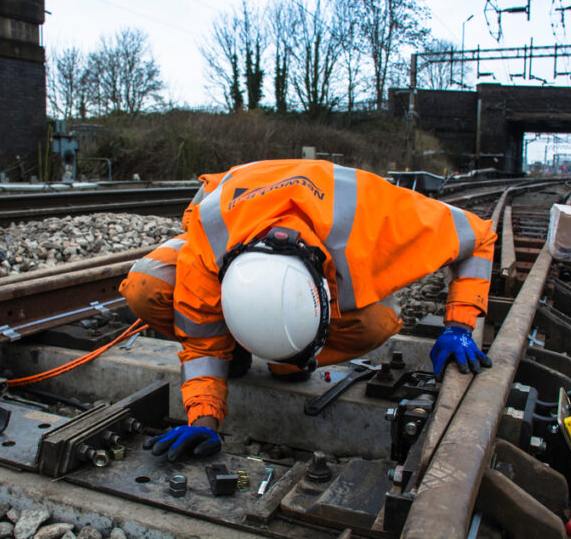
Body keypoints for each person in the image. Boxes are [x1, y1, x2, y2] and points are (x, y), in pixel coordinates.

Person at [120, 159, 496, 461]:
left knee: (378, 320)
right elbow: (201, 345)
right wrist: (203, 419)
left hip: (333, 221)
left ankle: (290, 360)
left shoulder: (381, 217)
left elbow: (479, 235)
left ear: (324, 293)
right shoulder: (209, 247)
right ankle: (238, 353)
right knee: (146, 285)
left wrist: (459, 324)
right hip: (239, 217)